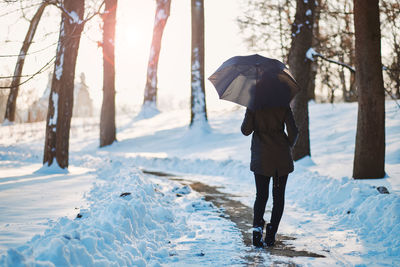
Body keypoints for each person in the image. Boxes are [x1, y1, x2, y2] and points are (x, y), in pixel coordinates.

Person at [241, 106, 298, 247]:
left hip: (261, 157)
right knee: (278, 197)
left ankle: (257, 230)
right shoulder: (282, 103)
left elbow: (245, 130)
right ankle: (271, 234)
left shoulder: (254, 103)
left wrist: (250, 110)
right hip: (281, 157)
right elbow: (294, 131)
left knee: (261, 195)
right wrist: (286, 146)